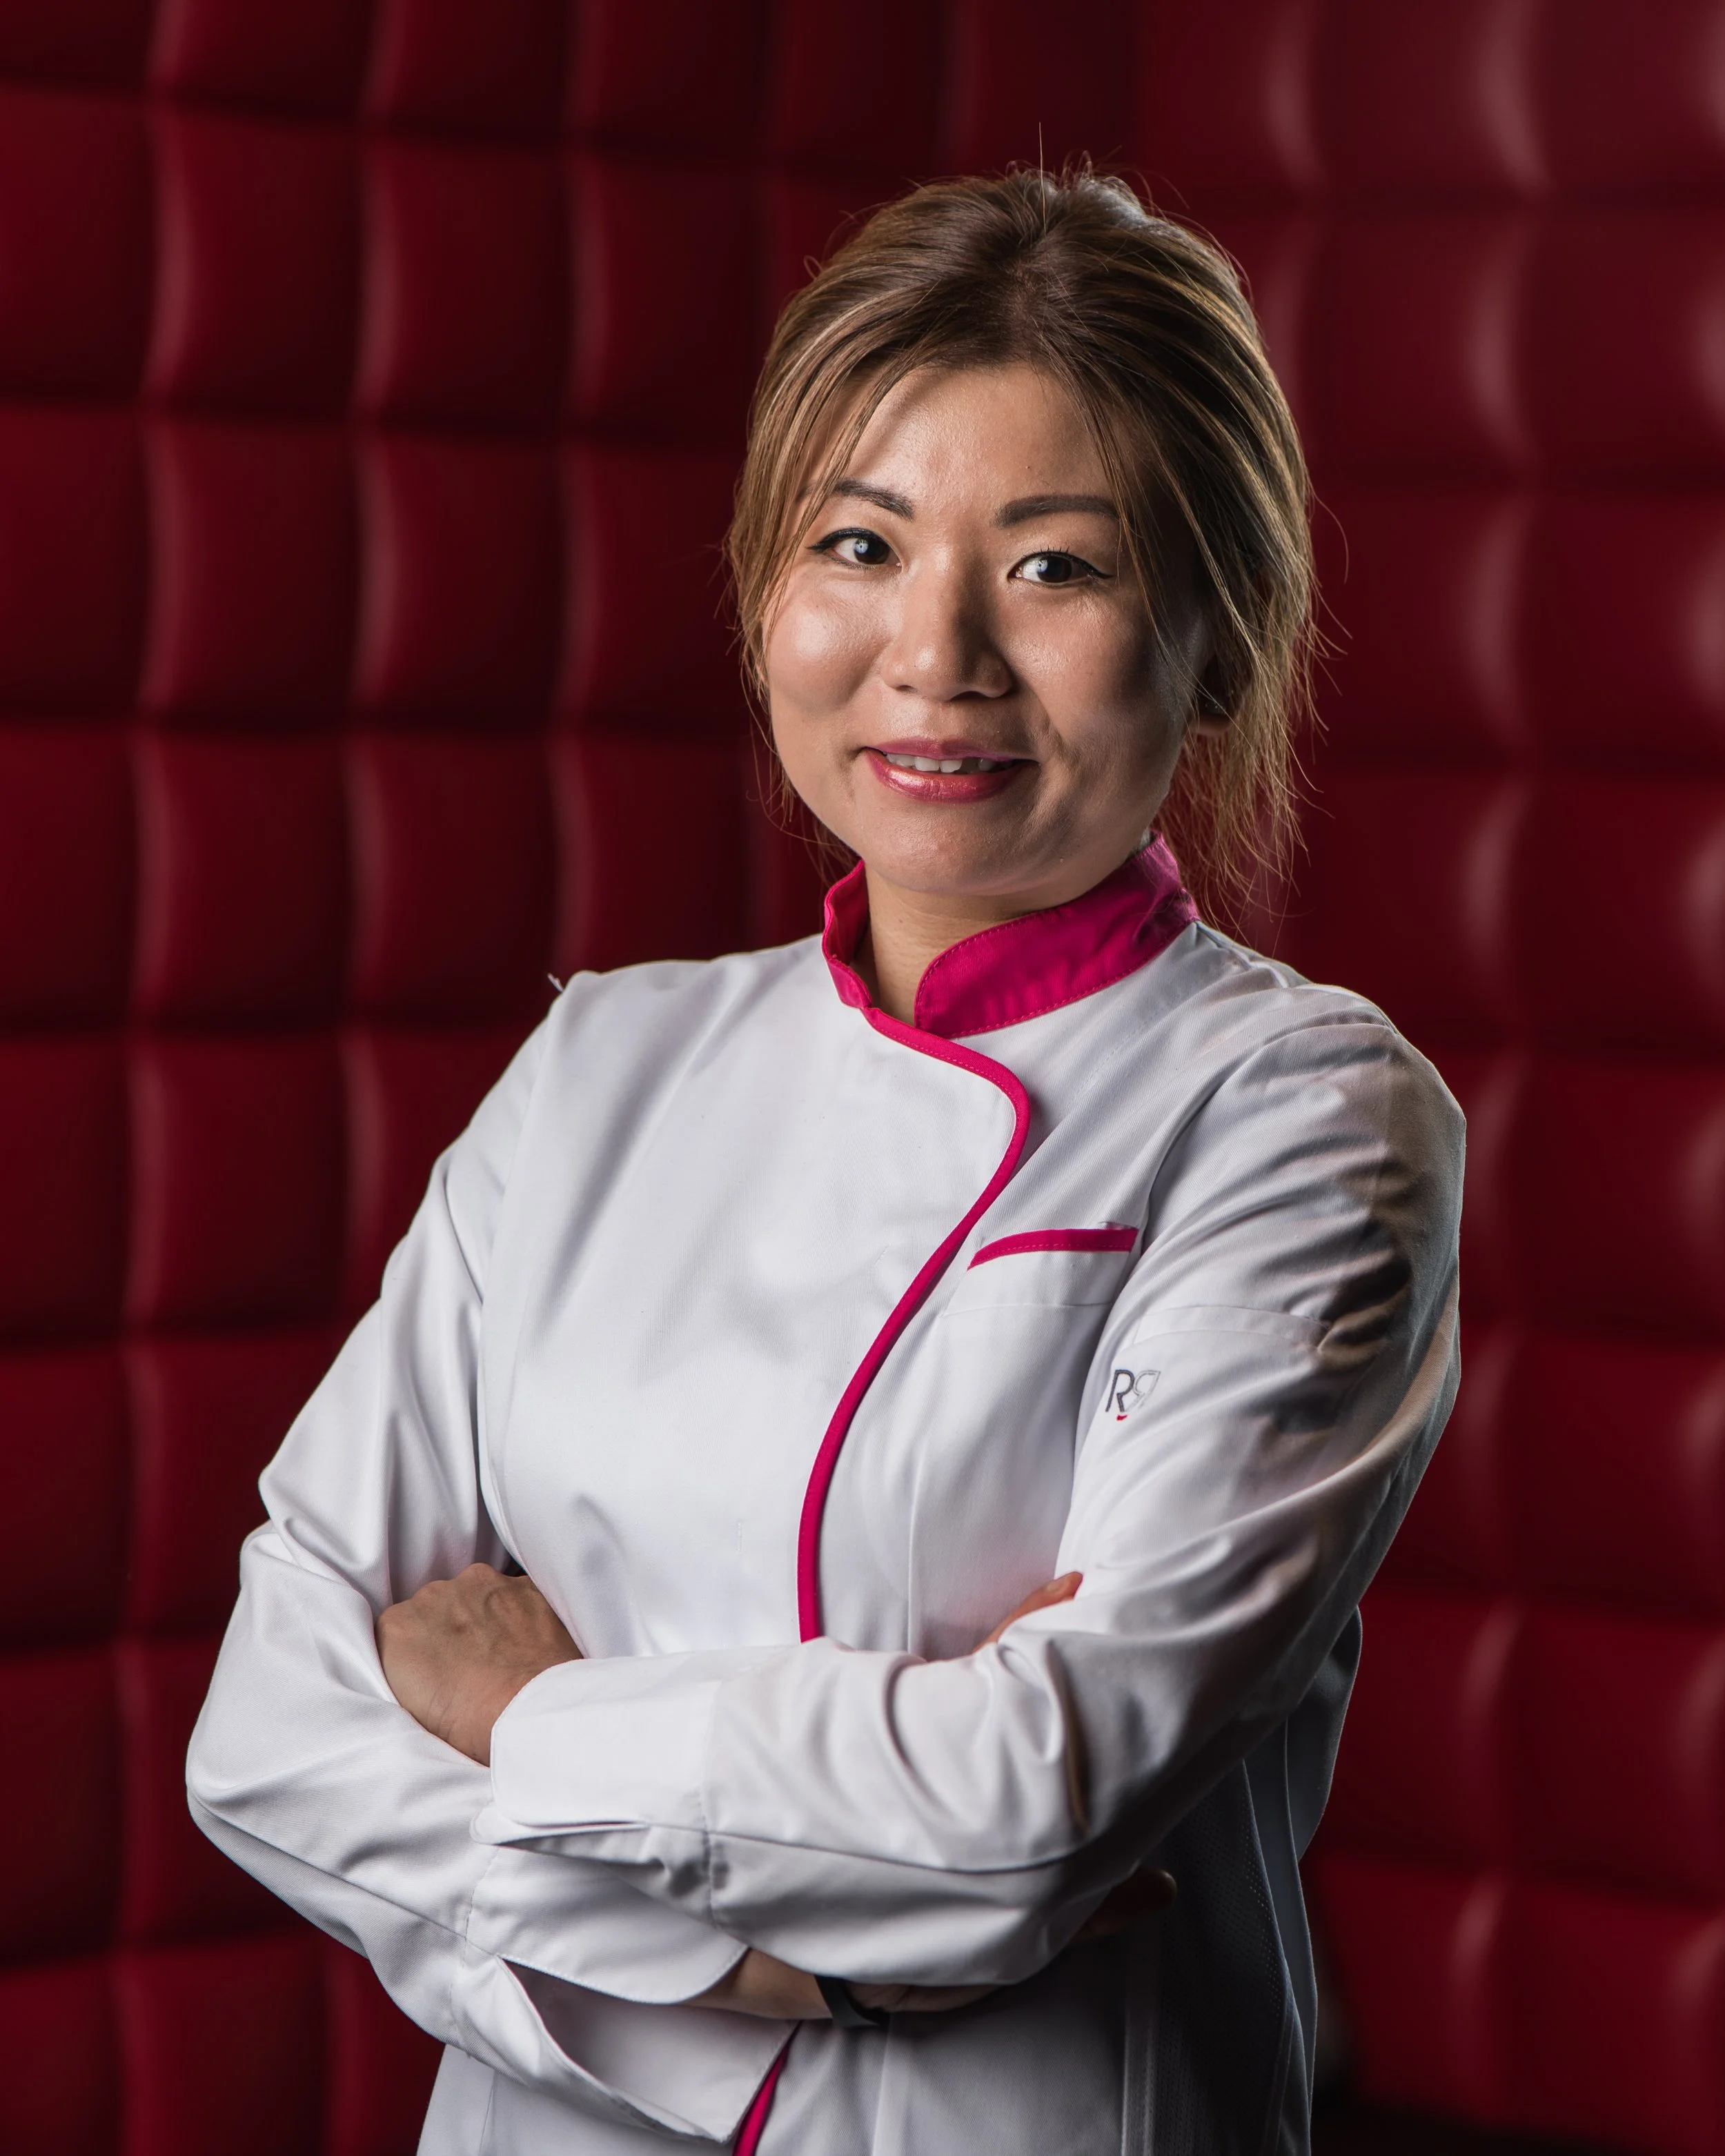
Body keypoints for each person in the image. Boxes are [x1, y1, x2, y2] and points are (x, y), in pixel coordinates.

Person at [188, 167, 1462, 2156]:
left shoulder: (1307, 1118)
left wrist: (521, 1716)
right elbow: (270, 1732)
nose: (931, 651)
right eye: (856, 543)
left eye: (1054, 566)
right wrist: (775, 1967)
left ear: (1216, 640)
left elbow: (1034, 1801)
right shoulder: (596, 1062)